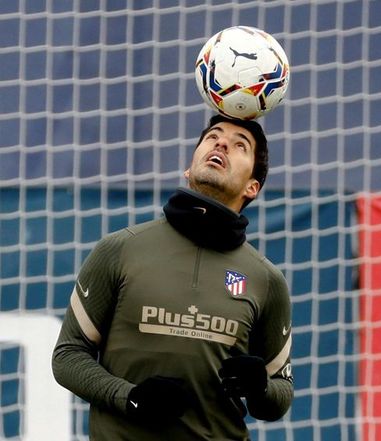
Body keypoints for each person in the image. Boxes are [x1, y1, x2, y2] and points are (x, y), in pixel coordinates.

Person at [52, 114, 294, 440]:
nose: (221, 143)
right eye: (212, 137)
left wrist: (260, 387)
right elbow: (68, 356)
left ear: (253, 187)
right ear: (189, 168)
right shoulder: (119, 249)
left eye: (240, 145)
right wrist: (131, 398)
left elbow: (279, 396)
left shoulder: (267, 280)